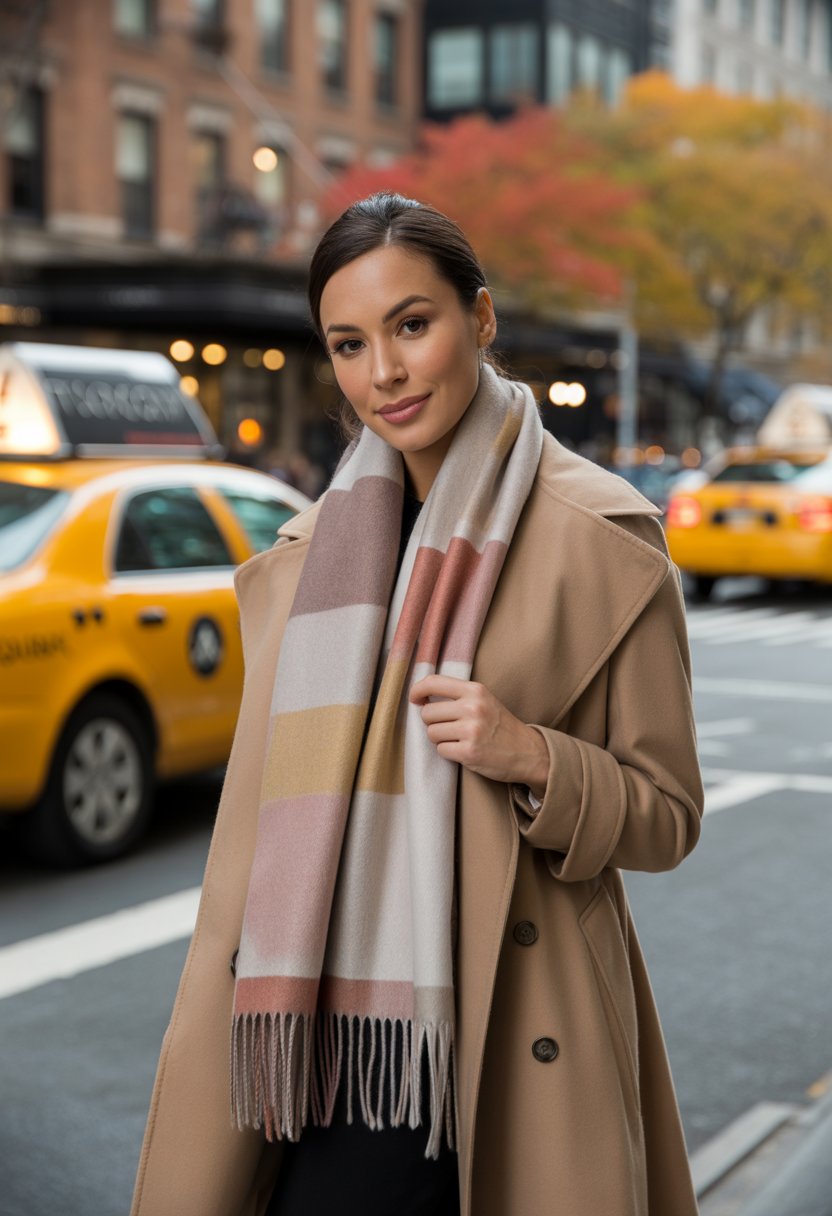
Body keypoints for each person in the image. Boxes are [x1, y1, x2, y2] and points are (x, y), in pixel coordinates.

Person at [130, 193, 704, 1216]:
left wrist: (533, 756)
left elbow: (667, 813)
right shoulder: (304, 559)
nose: (381, 374)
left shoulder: (601, 537)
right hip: (298, 1038)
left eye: (411, 324)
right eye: (348, 344)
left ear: (478, 320)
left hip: (493, 1037)